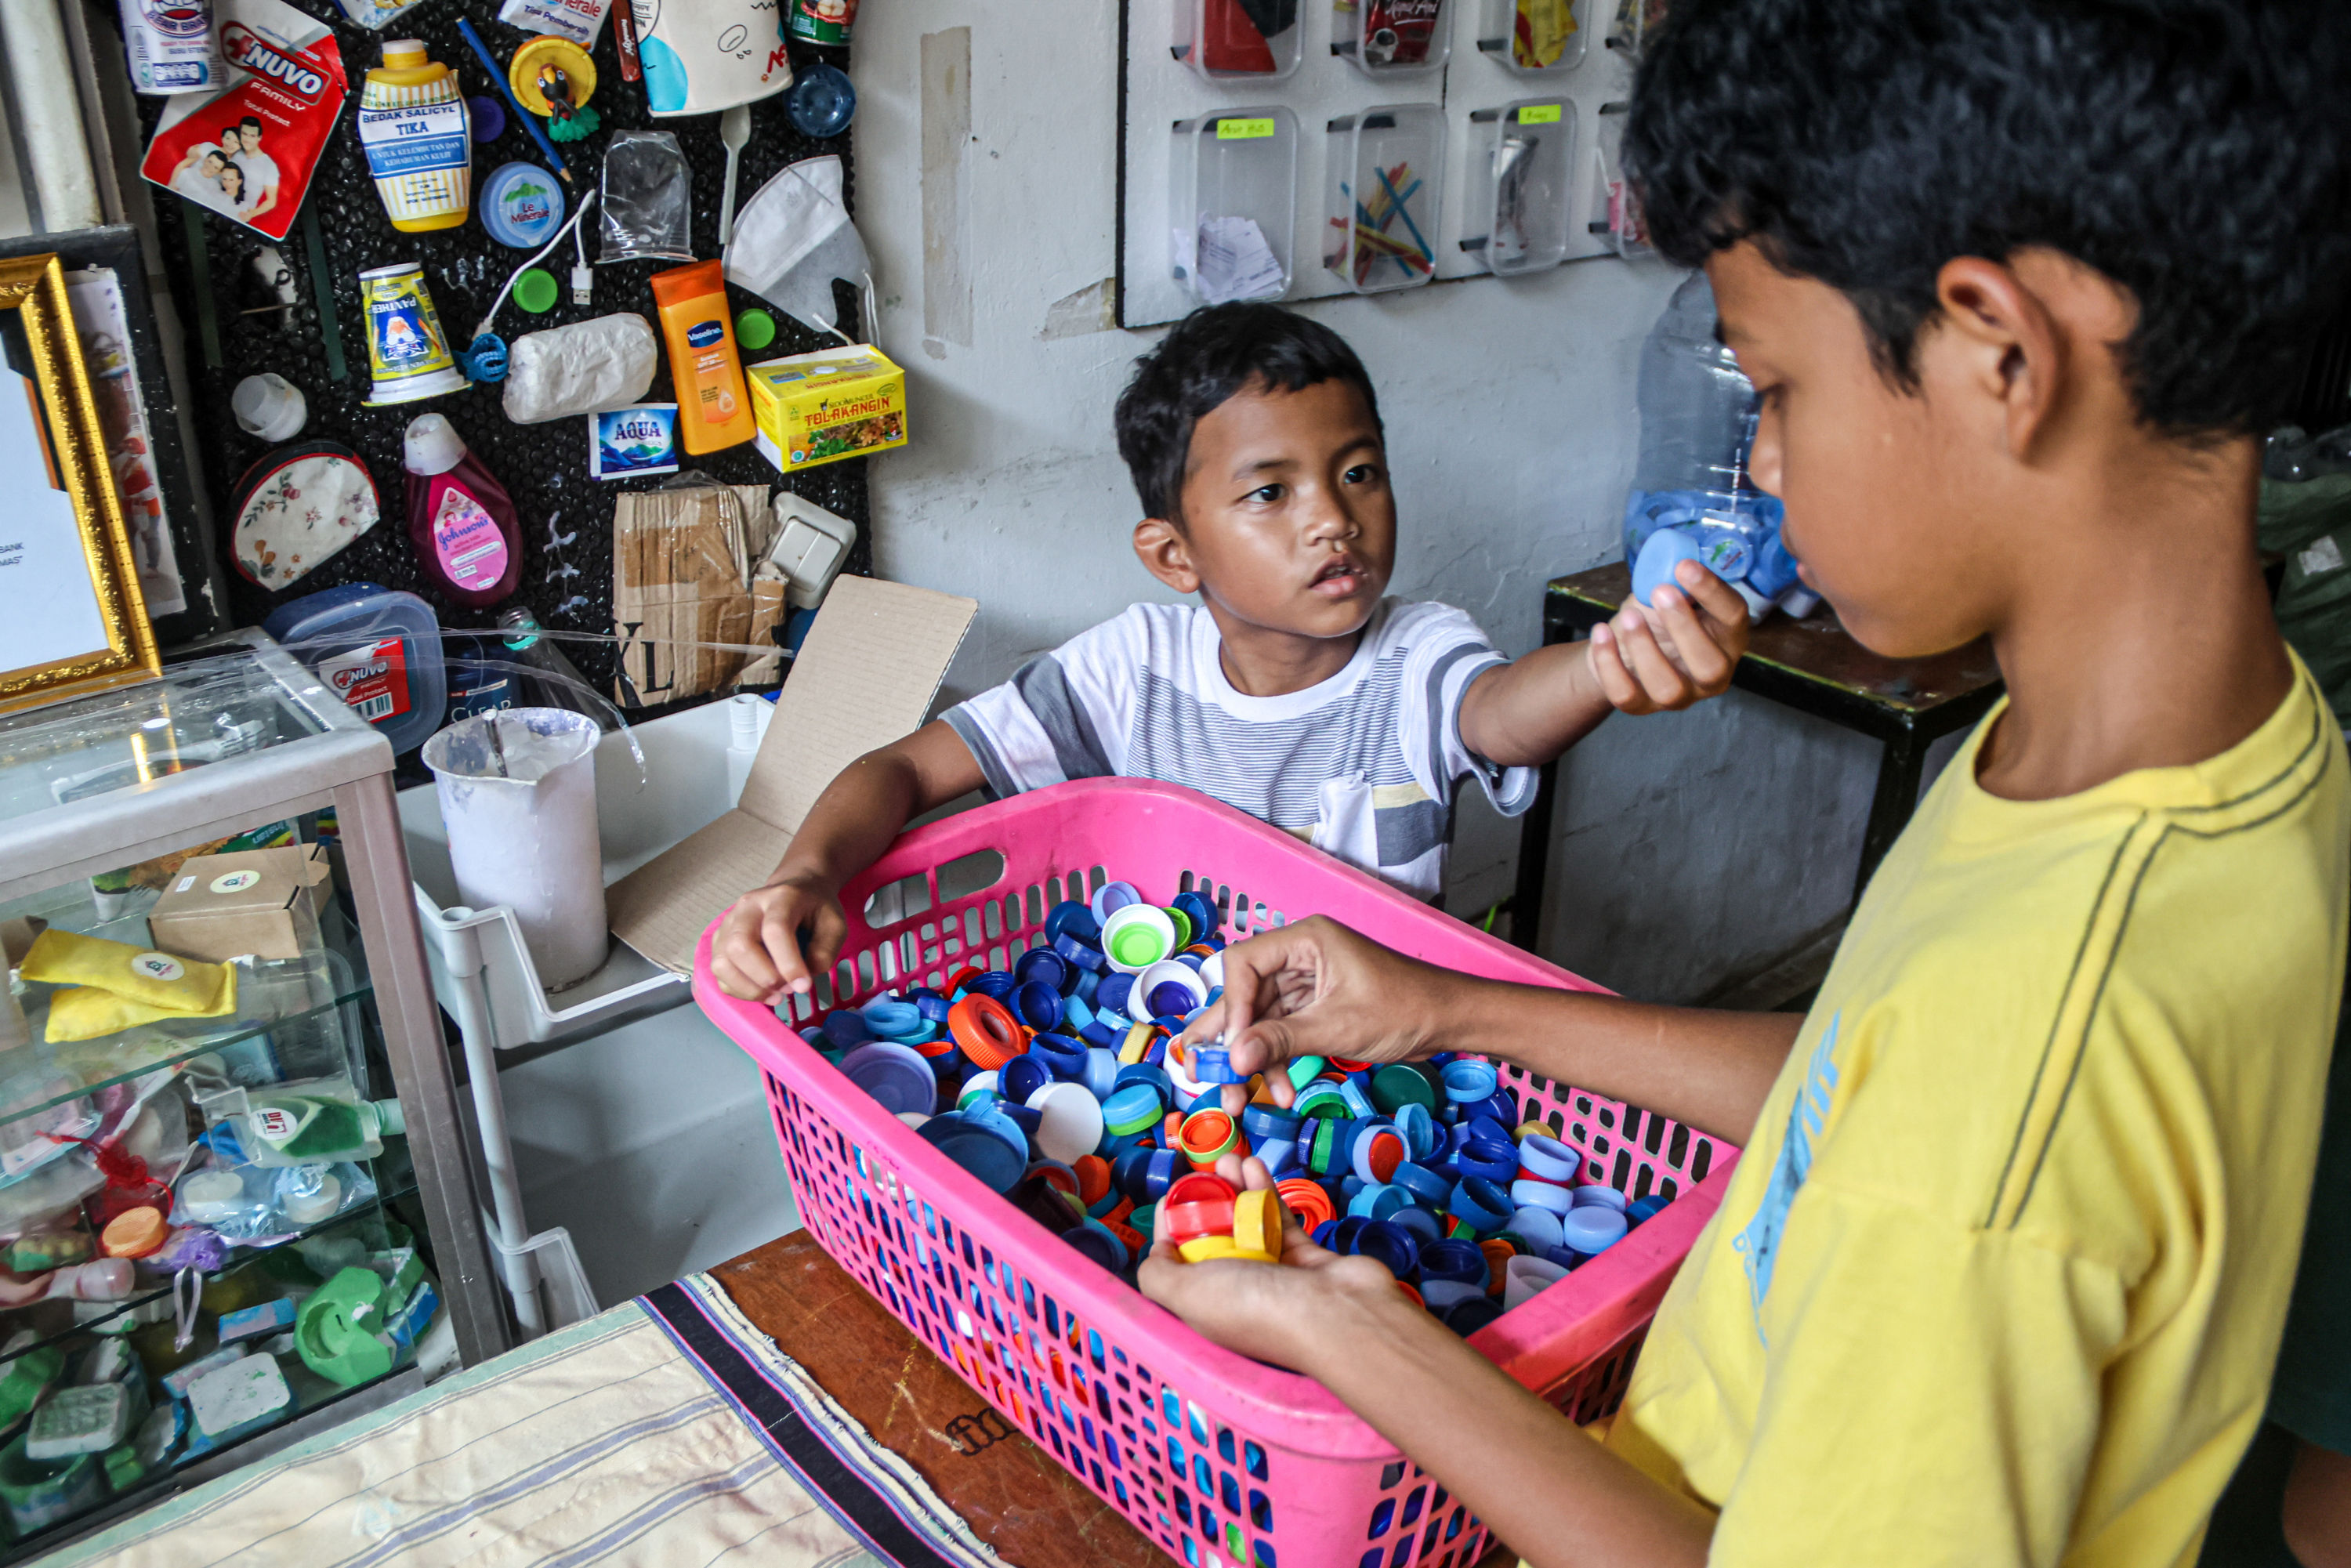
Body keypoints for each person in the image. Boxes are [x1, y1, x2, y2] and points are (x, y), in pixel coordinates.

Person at [1136, 1, 2351, 1564]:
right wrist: (1451, 1007)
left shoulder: (2009, 1091)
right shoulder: (2210, 748)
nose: (1762, 464)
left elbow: (1951, 1121)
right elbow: (1866, 1076)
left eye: (1773, 391)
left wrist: (1360, 1336)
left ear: (1997, 353)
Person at [711, 303, 1752, 1001]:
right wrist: (806, 873)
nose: (1334, 520)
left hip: (1369, 1063)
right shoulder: (1130, 672)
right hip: (1164, 1047)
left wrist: (1609, 664)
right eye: (1271, 493)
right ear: (1174, 554)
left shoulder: (1418, 656)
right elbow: (902, 766)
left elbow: (1497, 713)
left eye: (1358, 473)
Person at [234, 117, 280, 223]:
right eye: (244, 134)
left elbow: (271, 201)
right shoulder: (235, 151)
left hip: (240, 216)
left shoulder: (269, 165)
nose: (247, 139)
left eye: (252, 136)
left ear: (259, 138)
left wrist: (252, 214)